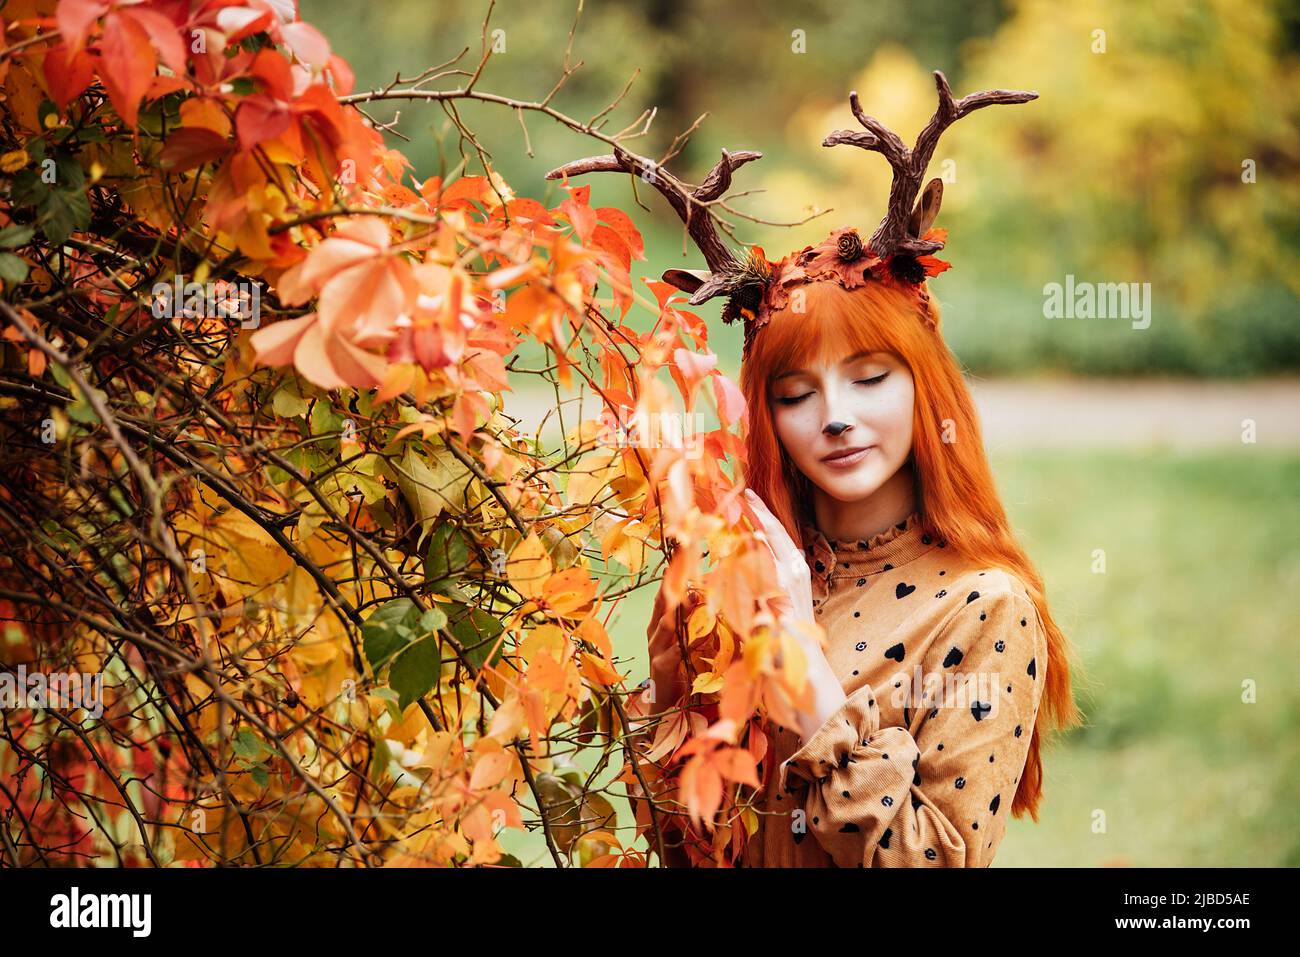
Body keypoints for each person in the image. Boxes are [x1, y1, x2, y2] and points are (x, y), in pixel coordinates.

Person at [557, 70, 1081, 866]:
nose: (836, 415)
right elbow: (687, 848)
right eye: (796, 393)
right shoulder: (745, 580)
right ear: (764, 417)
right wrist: (673, 671)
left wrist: (805, 679)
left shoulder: (984, 610)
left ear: (924, 387)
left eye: (870, 379)